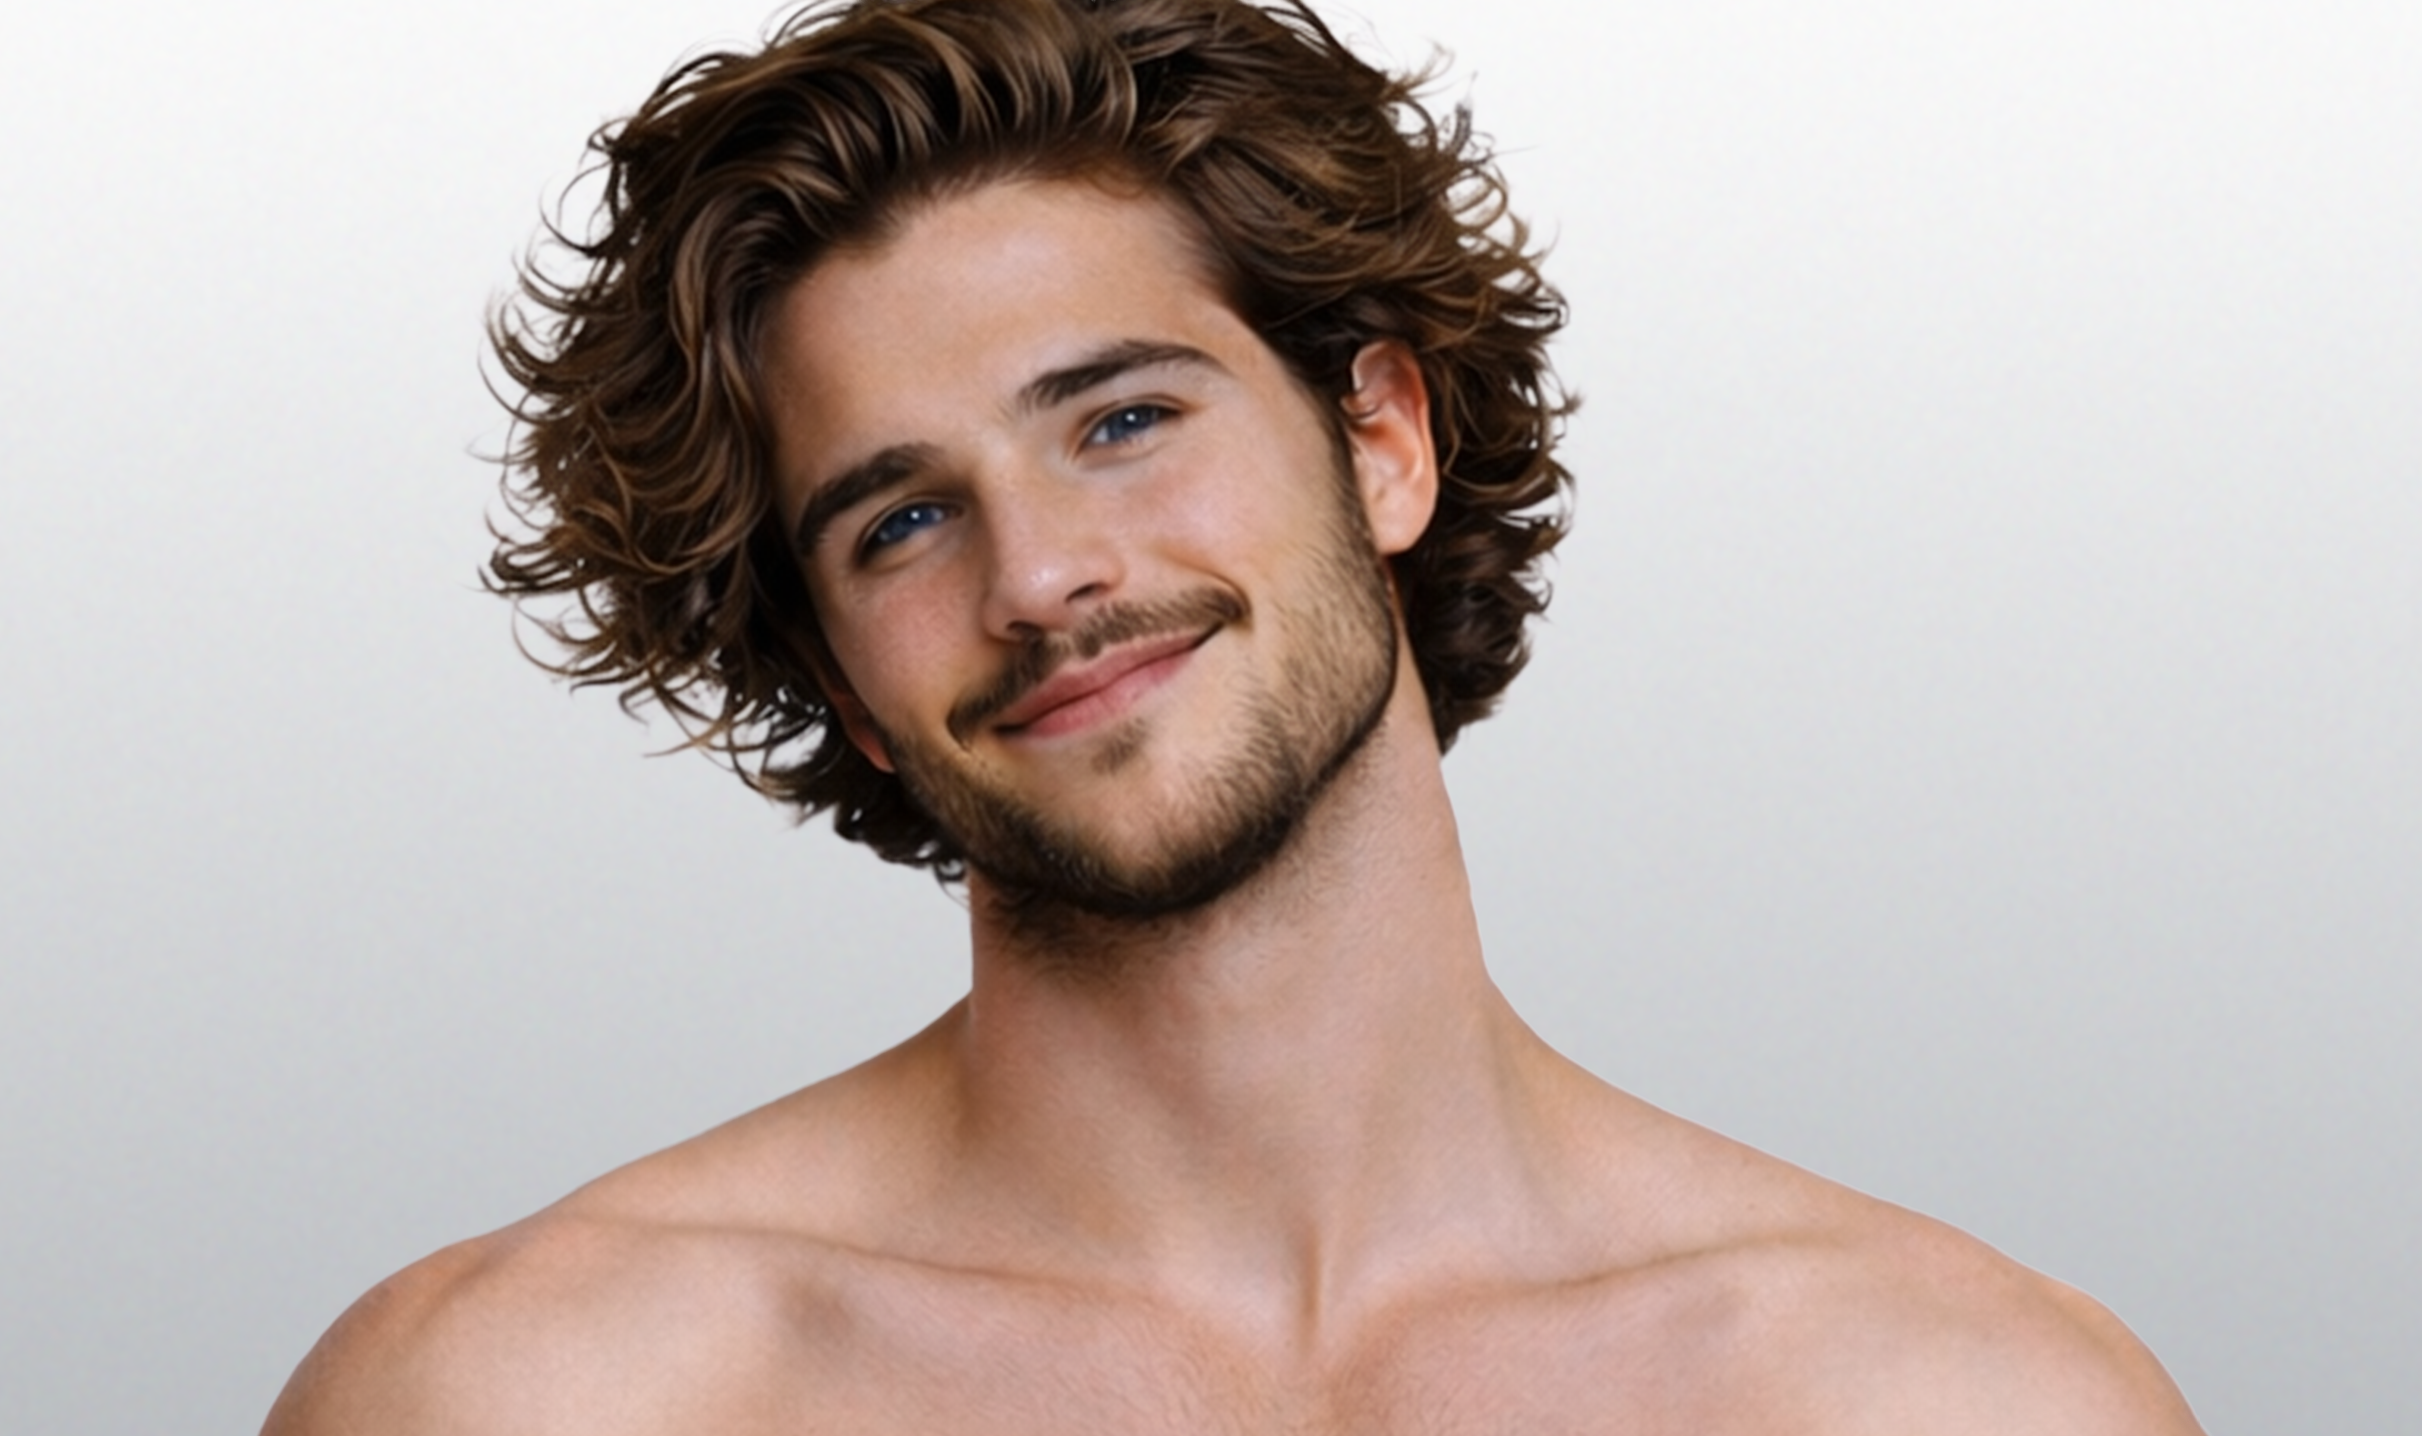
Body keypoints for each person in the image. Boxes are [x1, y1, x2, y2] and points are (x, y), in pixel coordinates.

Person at [265, 0, 2206, 1430]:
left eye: (1120, 418)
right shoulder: (547, 1394)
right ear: (840, 685)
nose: (1036, 576)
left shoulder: (1948, 1398)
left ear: (1377, 441)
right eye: (901, 516)